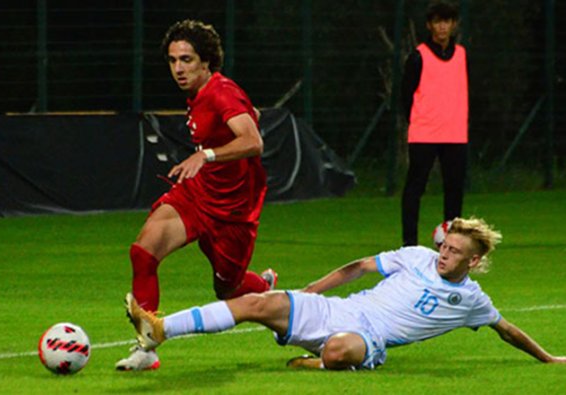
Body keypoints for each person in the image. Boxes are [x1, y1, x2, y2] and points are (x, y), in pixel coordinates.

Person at [124, 217, 566, 370]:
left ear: (472, 262)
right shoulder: (415, 256)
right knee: (257, 304)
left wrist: (547, 358)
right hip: (339, 308)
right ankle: (161, 328)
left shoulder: (472, 300)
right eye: (444, 246)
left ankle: (319, 364)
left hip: (369, 338)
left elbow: (505, 330)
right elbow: (356, 268)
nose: (443, 255)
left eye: (454, 252)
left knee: (339, 352)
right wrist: (309, 292)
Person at [115, 19, 277, 371]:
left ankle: (267, 288)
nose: (178, 68)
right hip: (198, 194)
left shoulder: (221, 91)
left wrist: (206, 155)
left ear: (207, 62)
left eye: (186, 60)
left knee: (229, 289)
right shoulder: (201, 94)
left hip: (234, 209)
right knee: (143, 252)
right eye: (173, 60)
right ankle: (147, 348)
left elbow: (253, 142)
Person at [401, 1, 469, 246]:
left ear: (453, 25)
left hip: (455, 134)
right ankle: (409, 244)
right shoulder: (418, 57)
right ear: (430, 25)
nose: (443, 27)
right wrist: (419, 121)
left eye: (447, 21)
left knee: (454, 190)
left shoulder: (461, 55)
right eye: (438, 22)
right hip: (424, 134)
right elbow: (405, 96)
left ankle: (453, 243)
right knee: (414, 188)